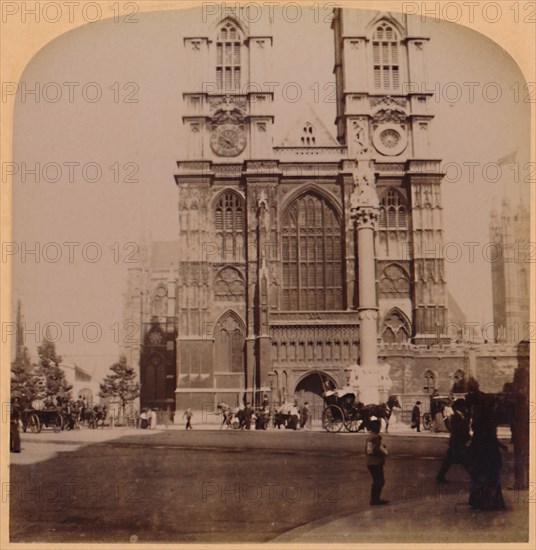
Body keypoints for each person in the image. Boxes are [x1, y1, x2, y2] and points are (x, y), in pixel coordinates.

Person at [465, 377, 506, 510]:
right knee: (488, 475)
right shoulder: (483, 404)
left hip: (482, 447)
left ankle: (483, 502)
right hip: (487, 447)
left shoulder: (480, 406)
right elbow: (491, 431)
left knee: (482, 474)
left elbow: (482, 428)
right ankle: (491, 502)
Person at [436, 399, 471, 482]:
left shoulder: (460, 415)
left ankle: (440, 475)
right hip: (457, 442)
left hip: (457, 442)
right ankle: (475, 476)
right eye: (463, 406)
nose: (465, 407)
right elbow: (457, 430)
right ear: (460, 407)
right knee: (465, 460)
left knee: (450, 460)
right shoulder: (456, 417)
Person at [365, 418, 389, 505]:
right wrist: (383, 453)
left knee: (376, 481)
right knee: (380, 481)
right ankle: (375, 500)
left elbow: (368, 450)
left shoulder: (370, 436)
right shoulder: (377, 437)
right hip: (376, 462)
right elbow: (375, 449)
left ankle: (374, 499)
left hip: (370, 462)